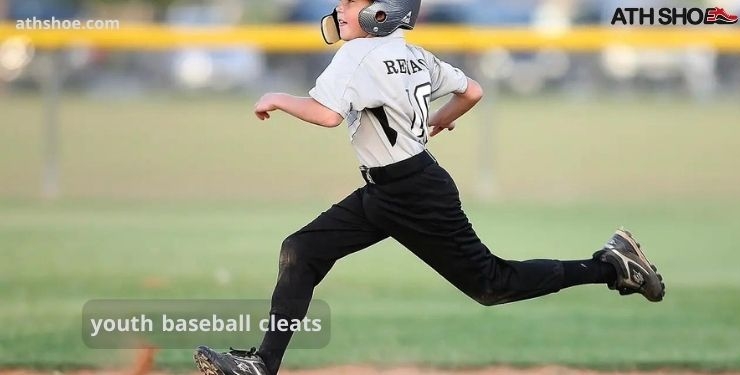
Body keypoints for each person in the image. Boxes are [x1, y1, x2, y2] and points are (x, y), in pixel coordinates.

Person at [193, 1, 665, 374]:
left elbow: (327, 114)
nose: (339, 8)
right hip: (393, 188)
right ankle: (262, 364)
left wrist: (277, 97)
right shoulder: (411, 52)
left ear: (387, 8)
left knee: (491, 284)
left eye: (352, 1)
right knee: (302, 250)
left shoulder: (358, 54)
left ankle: (609, 265)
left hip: (412, 195)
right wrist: (434, 124)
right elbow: (472, 91)